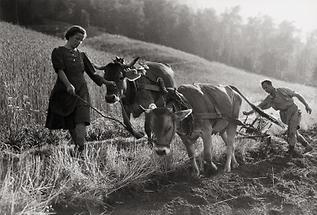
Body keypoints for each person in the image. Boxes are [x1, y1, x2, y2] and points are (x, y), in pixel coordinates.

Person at [45, 25, 115, 156]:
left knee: (81, 120)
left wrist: (106, 82)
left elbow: (93, 74)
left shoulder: (82, 55)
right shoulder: (58, 52)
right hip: (65, 93)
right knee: (71, 123)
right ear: (69, 36)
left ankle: (81, 149)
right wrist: (68, 85)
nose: (78, 42)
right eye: (77, 38)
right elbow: (60, 70)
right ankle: (78, 150)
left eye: (81, 40)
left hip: (82, 92)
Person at [243, 80, 313, 157]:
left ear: (271, 85)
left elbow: (297, 95)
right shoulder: (269, 99)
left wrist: (306, 105)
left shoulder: (282, 91)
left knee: (291, 133)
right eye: (264, 89)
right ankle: (307, 146)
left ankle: (291, 151)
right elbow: (259, 107)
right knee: (294, 132)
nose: (266, 90)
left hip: (293, 112)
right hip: (284, 115)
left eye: (266, 87)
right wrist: (249, 113)